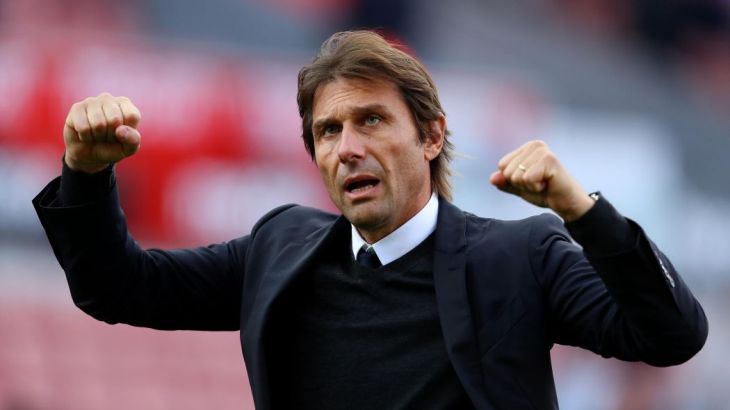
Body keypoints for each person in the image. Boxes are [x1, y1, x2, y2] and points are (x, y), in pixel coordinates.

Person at [33, 30, 707, 409]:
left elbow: (672, 334)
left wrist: (582, 212)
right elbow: (118, 289)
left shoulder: (520, 255)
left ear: (432, 136)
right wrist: (86, 174)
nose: (347, 147)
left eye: (372, 120)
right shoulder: (280, 248)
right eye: (328, 131)